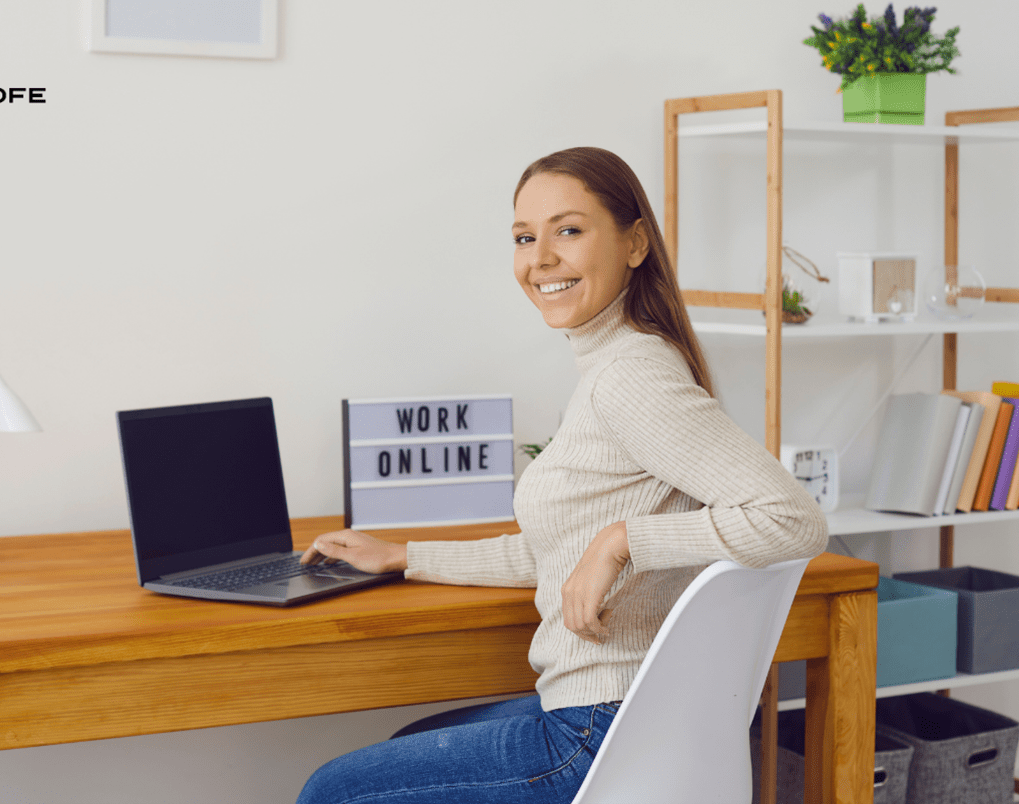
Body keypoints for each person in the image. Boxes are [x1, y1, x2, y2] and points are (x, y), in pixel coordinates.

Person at [295, 146, 828, 804]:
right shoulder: (613, 366)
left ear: (635, 244)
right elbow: (559, 549)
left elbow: (793, 519)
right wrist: (405, 555)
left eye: (568, 231)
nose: (540, 259)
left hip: (598, 729)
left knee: (331, 792)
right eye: (525, 238)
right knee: (411, 741)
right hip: (621, 718)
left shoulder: (633, 377)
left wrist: (621, 541)